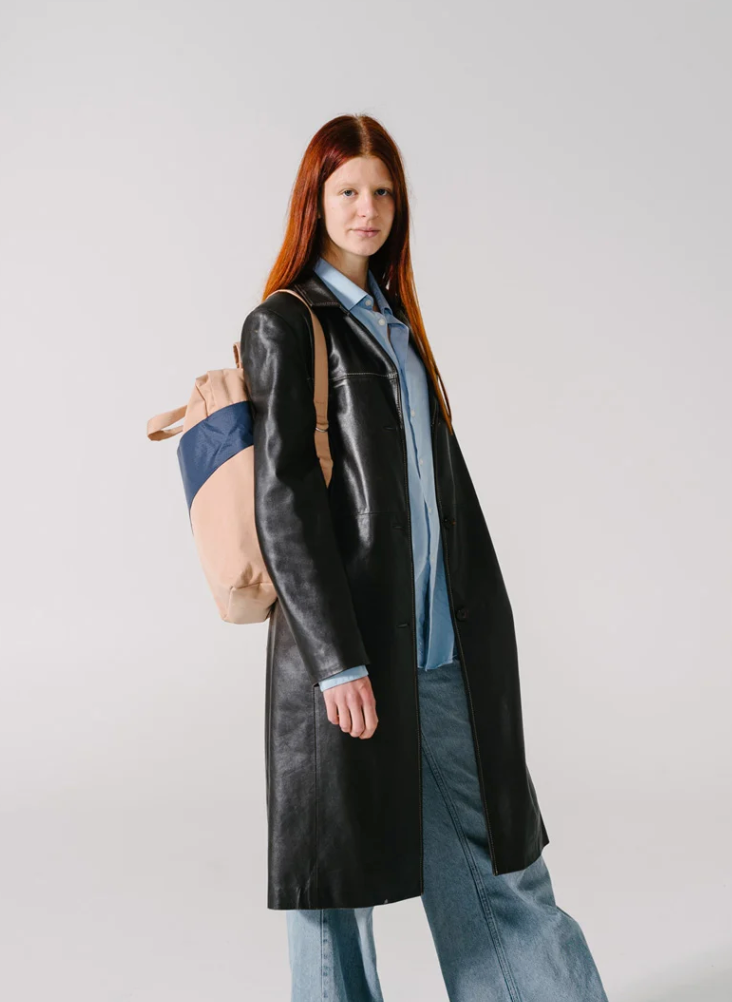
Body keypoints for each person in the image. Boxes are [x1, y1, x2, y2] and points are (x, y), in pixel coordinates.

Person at [240, 114, 609, 1002]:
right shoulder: (287, 323)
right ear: (315, 201)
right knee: (332, 893)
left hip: (437, 653)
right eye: (347, 191)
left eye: (382, 191)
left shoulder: (398, 328)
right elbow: (285, 500)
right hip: (346, 656)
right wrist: (337, 662)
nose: (366, 209)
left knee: (499, 861)